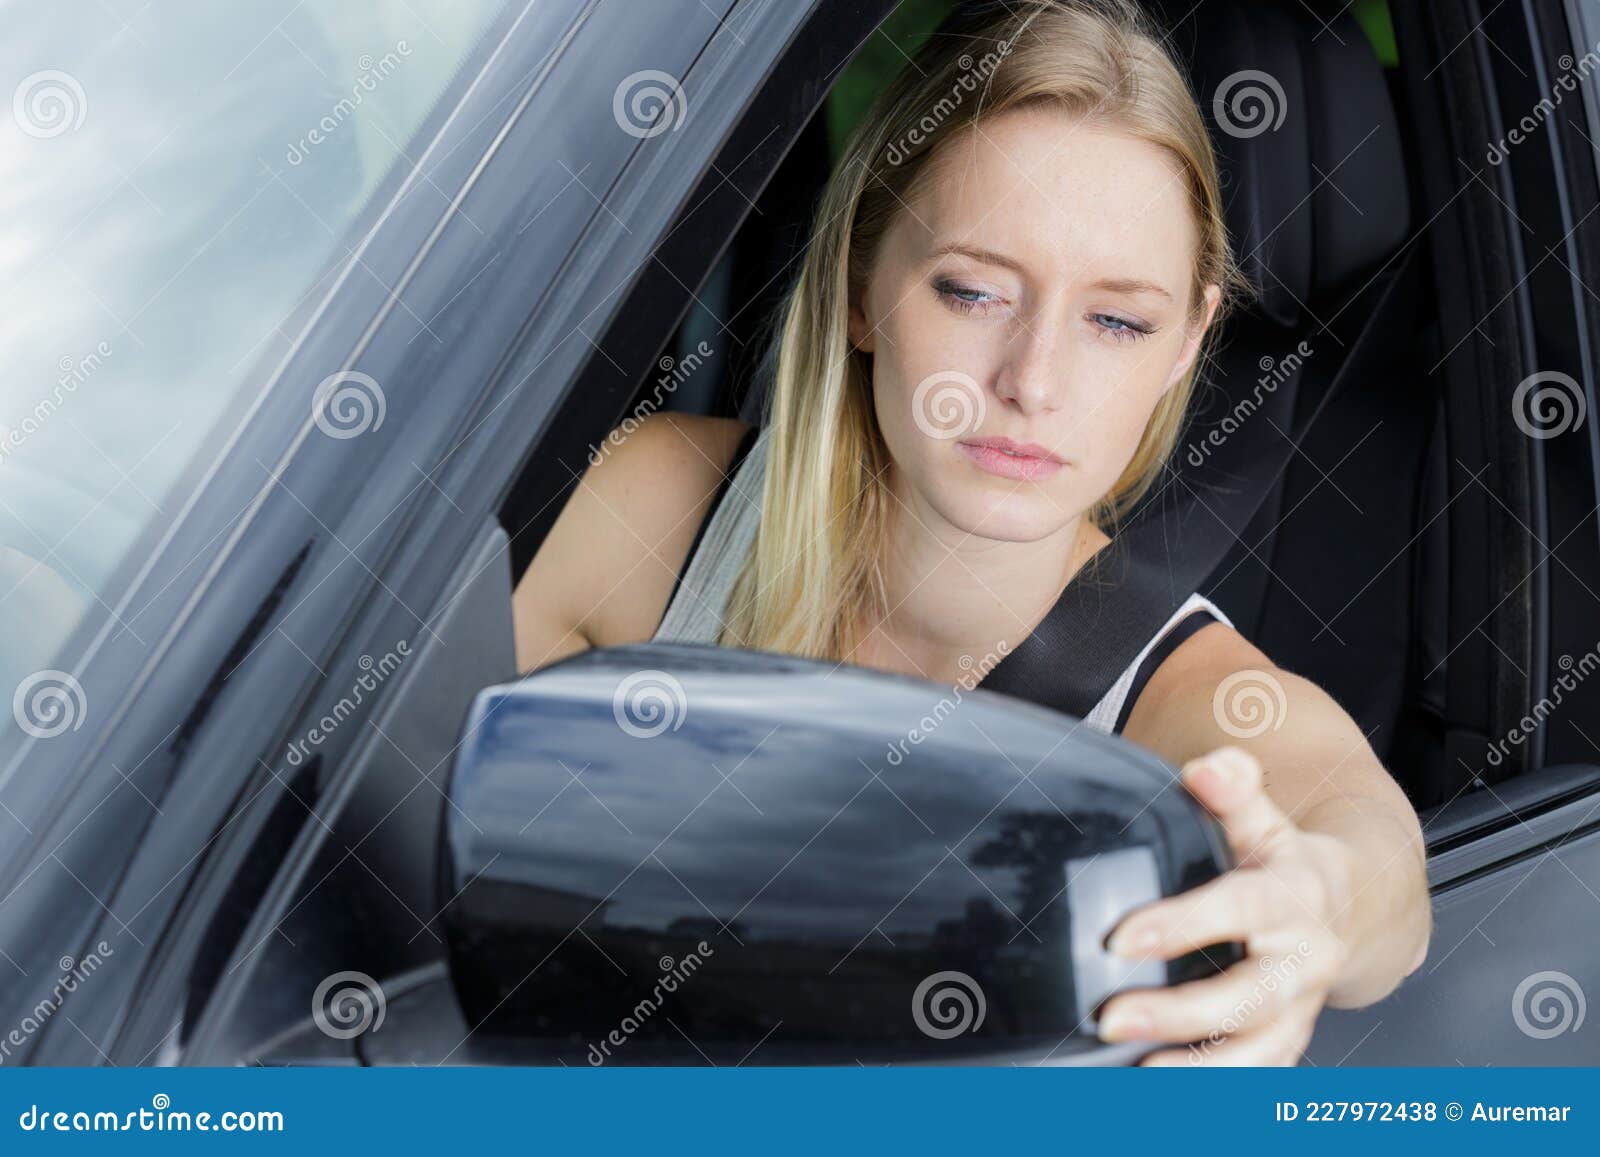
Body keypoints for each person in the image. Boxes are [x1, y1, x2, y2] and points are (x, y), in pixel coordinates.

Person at [513, 0, 1431, 1065]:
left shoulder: (1189, 700)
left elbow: (1371, 860)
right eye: (973, 290)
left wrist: (1316, 903)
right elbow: (373, 818)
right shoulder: (653, 507)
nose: (1031, 382)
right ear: (862, 287)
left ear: (1186, 344)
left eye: (1116, 320)